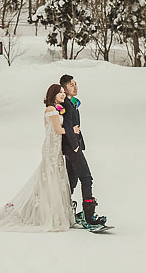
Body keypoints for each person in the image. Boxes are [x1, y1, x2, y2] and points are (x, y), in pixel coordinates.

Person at [0, 84, 76, 231]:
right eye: (60, 93)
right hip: (51, 149)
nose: (63, 94)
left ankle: (51, 211)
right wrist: (73, 130)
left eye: (63, 92)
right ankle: (48, 214)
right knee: (50, 178)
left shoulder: (55, 110)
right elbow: (58, 129)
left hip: (54, 148)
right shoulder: (51, 110)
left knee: (53, 178)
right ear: (53, 95)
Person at [60, 74, 106, 226]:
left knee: (71, 182)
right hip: (72, 148)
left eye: (76, 84)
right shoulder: (66, 104)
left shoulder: (70, 103)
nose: (75, 87)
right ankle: (89, 216)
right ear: (64, 88)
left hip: (71, 148)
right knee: (86, 179)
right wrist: (75, 146)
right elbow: (67, 125)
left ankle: (64, 211)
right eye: (71, 84)